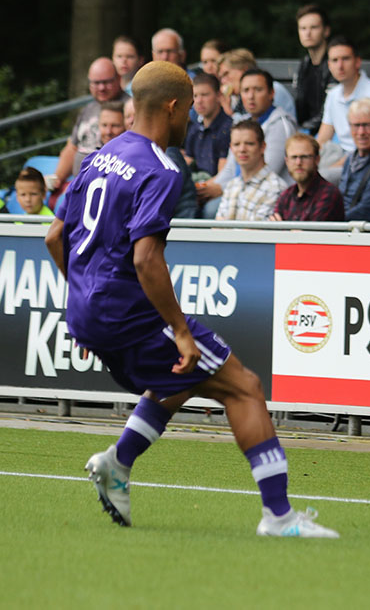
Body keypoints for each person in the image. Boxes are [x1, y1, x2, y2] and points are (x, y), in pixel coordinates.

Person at [43, 61, 336, 538]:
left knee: (180, 376)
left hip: (90, 311)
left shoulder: (100, 153)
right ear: (175, 107)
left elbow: (56, 237)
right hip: (123, 309)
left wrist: (85, 305)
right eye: (191, 107)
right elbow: (146, 261)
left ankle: (118, 463)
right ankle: (279, 518)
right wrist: (181, 330)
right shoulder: (161, 168)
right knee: (243, 386)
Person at [316, 36, 370, 172]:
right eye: (335, 60)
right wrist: (307, 157)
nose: (340, 66)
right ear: (329, 65)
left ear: (357, 62)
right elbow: (323, 138)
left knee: (322, 178)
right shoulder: (333, 95)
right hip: (343, 158)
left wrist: (328, 170)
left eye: (345, 59)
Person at [52, 57, 129, 192]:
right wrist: (56, 179)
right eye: (96, 83)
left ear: (118, 79)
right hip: (77, 185)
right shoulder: (88, 109)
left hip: (105, 188)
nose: (101, 88)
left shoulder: (130, 107)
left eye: (106, 82)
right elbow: (72, 147)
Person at [216, 119, 287, 221]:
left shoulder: (276, 188)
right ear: (231, 148)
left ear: (262, 147)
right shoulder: (231, 185)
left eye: (249, 144)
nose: (242, 149)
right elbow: (217, 228)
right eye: (236, 144)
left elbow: (256, 233)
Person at [272, 133, 344, 221]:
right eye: (294, 157)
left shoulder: (329, 195)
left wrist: (281, 229)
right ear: (286, 161)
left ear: (317, 159)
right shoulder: (286, 195)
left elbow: (310, 234)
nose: (298, 162)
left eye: (304, 157)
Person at [215, 48, 297, 124]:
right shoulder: (237, 98)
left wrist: (229, 113)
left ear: (244, 70)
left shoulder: (274, 88)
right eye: (221, 77)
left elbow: (258, 127)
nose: (223, 81)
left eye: (226, 74)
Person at [293, 4, 334, 131]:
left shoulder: (336, 63)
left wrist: (304, 130)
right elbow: (299, 106)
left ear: (326, 31)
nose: (308, 33)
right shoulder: (304, 64)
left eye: (314, 27)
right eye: (303, 28)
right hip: (306, 129)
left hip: (329, 129)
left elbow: (331, 109)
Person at [183, 73, 232, 178]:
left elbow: (222, 174)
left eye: (204, 95)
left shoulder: (228, 128)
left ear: (219, 96)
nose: (199, 101)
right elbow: (188, 160)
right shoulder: (194, 128)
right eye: (195, 96)